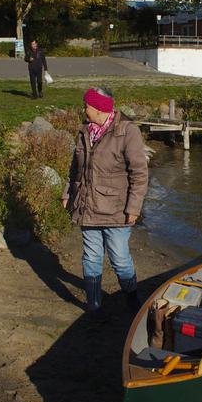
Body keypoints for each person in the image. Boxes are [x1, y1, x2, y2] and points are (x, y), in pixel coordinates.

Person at [63, 87, 149, 317]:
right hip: (87, 207)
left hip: (116, 210)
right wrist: (67, 193)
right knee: (91, 256)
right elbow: (76, 169)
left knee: (120, 259)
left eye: (87, 106)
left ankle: (133, 302)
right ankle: (94, 305)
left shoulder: (127, 131)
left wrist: (133, 208)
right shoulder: (84, 131)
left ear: (100, 108)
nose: (84, 110)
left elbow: (139, 174)